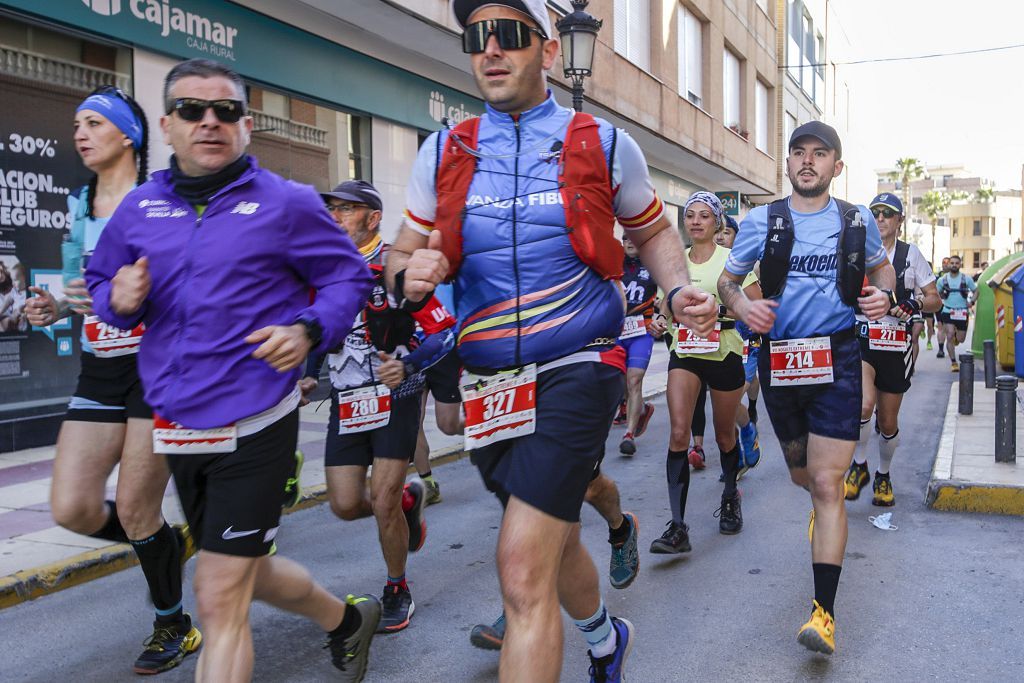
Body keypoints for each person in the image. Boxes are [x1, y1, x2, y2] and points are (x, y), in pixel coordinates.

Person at [386, 2, 717, 680]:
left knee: (518, 566)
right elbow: (402, 251)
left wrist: (678, 288)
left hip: (576, 363)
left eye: (508, 35)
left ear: (542, 48)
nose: (491, 50)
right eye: (477, 38)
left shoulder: (600, 140)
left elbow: (652, 229)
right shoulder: (447, 149)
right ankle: (604, 638)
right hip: (489, 386)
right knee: (552, 542)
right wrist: (406, 270)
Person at [84, 59, 379, 682]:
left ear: (247, 125)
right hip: (178, 424)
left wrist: (305, 330)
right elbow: (101, 281)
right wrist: (121, 298)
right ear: (167, 124)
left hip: (257, 421)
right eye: (192, 110)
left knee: (220, 594)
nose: (210, 122)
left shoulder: (288, 204)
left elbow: (346, 276)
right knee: (250, 569)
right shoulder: (140, 209)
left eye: (226, 111)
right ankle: (347, 621)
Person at [23, 86, 200, 675]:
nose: (80, 132)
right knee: (72, 506)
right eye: (77, 122)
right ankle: (163, 547)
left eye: (94, 122)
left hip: (156, 369)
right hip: (100, 366)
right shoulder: (80, 202)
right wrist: (56, 306)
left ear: (128, 135)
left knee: (135, 508)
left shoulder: (163, 200)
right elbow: (85, 291)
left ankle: (172, 620)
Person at [719, 121, 895, 656]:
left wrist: (883, 298)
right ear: (788, 162)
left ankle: (824, 614)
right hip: (781, 362)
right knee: (802, 475)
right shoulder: (760, 221)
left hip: (838, 356)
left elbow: (883, 273)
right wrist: (742, 305)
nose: (808, 162)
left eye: (820, 154)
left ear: (836, 166)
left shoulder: (855, 219)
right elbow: (729, 280)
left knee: (827, 483)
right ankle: (822, 507)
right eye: (799, 153)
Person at [310, 179, 455, 633]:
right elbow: (313, 325)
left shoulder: (398, 266)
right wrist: (305, 370)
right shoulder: (321, 268)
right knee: (345, 503)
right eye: (330, 207)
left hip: (397, 398)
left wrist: (409, 365)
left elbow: (444, 332)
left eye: (345, 209)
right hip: (347, 401)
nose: (334, 216)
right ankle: (409, 502)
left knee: (384, 499)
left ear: (373, 218)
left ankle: (397, 586)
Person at [651, 192, 759, 554]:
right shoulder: (674, 263)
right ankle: (678, 527)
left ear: (717, 223)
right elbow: (664, 304)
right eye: (690, 216)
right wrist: (661, 319)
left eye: (704, 216)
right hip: (685, 352)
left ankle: (730, 495)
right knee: (679, 432)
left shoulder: (734, 260)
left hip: (724, 351)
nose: (696, 221)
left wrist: (722, 315)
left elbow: (753, 308)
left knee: (724, 436)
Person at [845, 193, 940, 506]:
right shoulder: (855, 253)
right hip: (861, 340)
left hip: (896, 344)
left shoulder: (911, 255)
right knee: (862, 406)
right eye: (876, 213)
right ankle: (859, 466)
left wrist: (913, 303)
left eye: (888, 213)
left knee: (887, 422)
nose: (881, 218)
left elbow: (934, 298)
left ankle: (883, 474)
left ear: (900, 220)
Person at [715, 214, 762, 478]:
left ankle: (745, 436)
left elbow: (756, 307)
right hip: (712, 343)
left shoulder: (744, 267)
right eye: (718, 232)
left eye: (727, 232)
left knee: (730, 402)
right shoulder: (702, 263)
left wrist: (721, 310)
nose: (721, 236)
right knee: (723, 407)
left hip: (745, 341)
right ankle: (737, 455)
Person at [617, 234, 665, 455]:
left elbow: (668, 295)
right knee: (619, 382)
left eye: (635, 238)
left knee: (634, 380)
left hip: (641, 332)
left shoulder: (654, 265)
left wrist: (661, 312)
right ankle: (642, 409)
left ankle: (628, 434)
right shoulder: (615, 264)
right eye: (625, 238)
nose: (629, 241)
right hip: (615, 332)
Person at [935, 255, 978, 372]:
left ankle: (955, 337)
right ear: (949, 265)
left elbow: (976, 291)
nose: (954, 265)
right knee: (949, 334)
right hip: (947, 311)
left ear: (960, 265)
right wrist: (940, 301)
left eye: (956, 263)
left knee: (961, 338)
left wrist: (972, 301)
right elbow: (935, 293)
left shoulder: (966, 279)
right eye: (952, 263)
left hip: (962, 312)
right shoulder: (942, 280)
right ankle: (953, 362)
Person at [935, 257, 951, 357]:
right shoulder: (937, 276)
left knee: (950, 329)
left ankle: (951, 344)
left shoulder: (958, 276)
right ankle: (941, 350)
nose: (945, 264)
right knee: (941, 327)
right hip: (941, 305)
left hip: (954, 306)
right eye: (943, 262)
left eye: (947, 262)